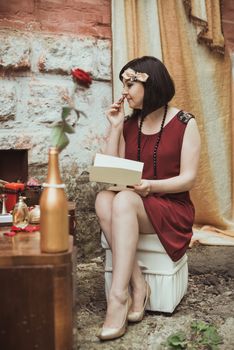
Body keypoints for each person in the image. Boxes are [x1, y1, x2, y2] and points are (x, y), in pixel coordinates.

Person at [95, 56, 201, 341]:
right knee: (104, 199)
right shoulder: (129, 124)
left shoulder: (184, 123)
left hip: (172, 207)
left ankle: (119, 298)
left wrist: (151, 187)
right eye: (123, 85)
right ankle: (138, 285)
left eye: (130, 84)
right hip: (135, 202)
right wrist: (115, 126)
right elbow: (111, 171)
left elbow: (189, 178)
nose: (124, 91)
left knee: (123, 201)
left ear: (150, 83)